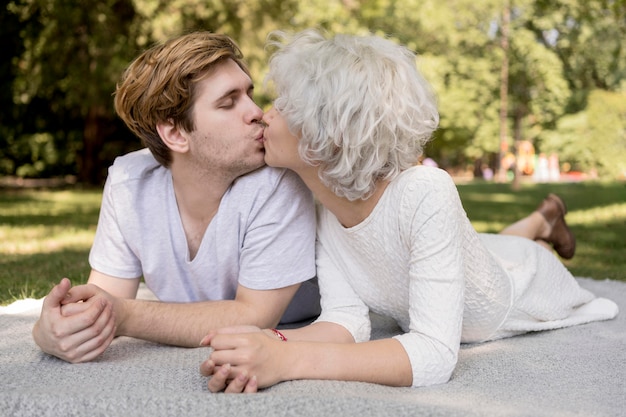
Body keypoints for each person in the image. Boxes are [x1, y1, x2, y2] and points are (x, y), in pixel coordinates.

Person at [199, 29, 619, 393]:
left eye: (284, 106)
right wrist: (267, 340)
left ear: (333, 135)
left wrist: (286, 362)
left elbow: (436, 354)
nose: (263, 115)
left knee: (505, 258)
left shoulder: (425, 191)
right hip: (486, 259)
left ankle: (541, 225)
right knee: (488, 248)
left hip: (523, 286)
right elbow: (347, 321)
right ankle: (542, 219)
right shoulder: (325, 206)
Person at [31, 32, 321, 364]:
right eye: (229, 102)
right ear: (174, 133)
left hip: (301, 327)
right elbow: (104, 300)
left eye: (249, 94)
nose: (257, 112)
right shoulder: (129, 182)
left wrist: (124, 317)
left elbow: (255, 317)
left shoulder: (279, 178)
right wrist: (48, 331)